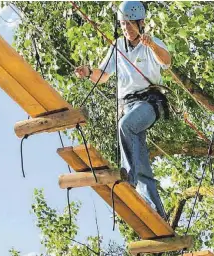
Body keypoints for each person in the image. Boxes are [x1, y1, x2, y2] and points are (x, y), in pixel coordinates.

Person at [74, 1, 171, 219]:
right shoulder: (118, 46)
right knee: (137, 150)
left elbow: (167, 63)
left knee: (126, 126)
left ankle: (130, 180)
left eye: (130, 23)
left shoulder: (152, 42)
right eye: (123, 24)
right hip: (127, 105)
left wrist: (152, 46)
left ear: (141, 22)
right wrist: (89, 72)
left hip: (150, 102)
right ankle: (157, 209)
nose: (126, 27)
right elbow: (103, 76)